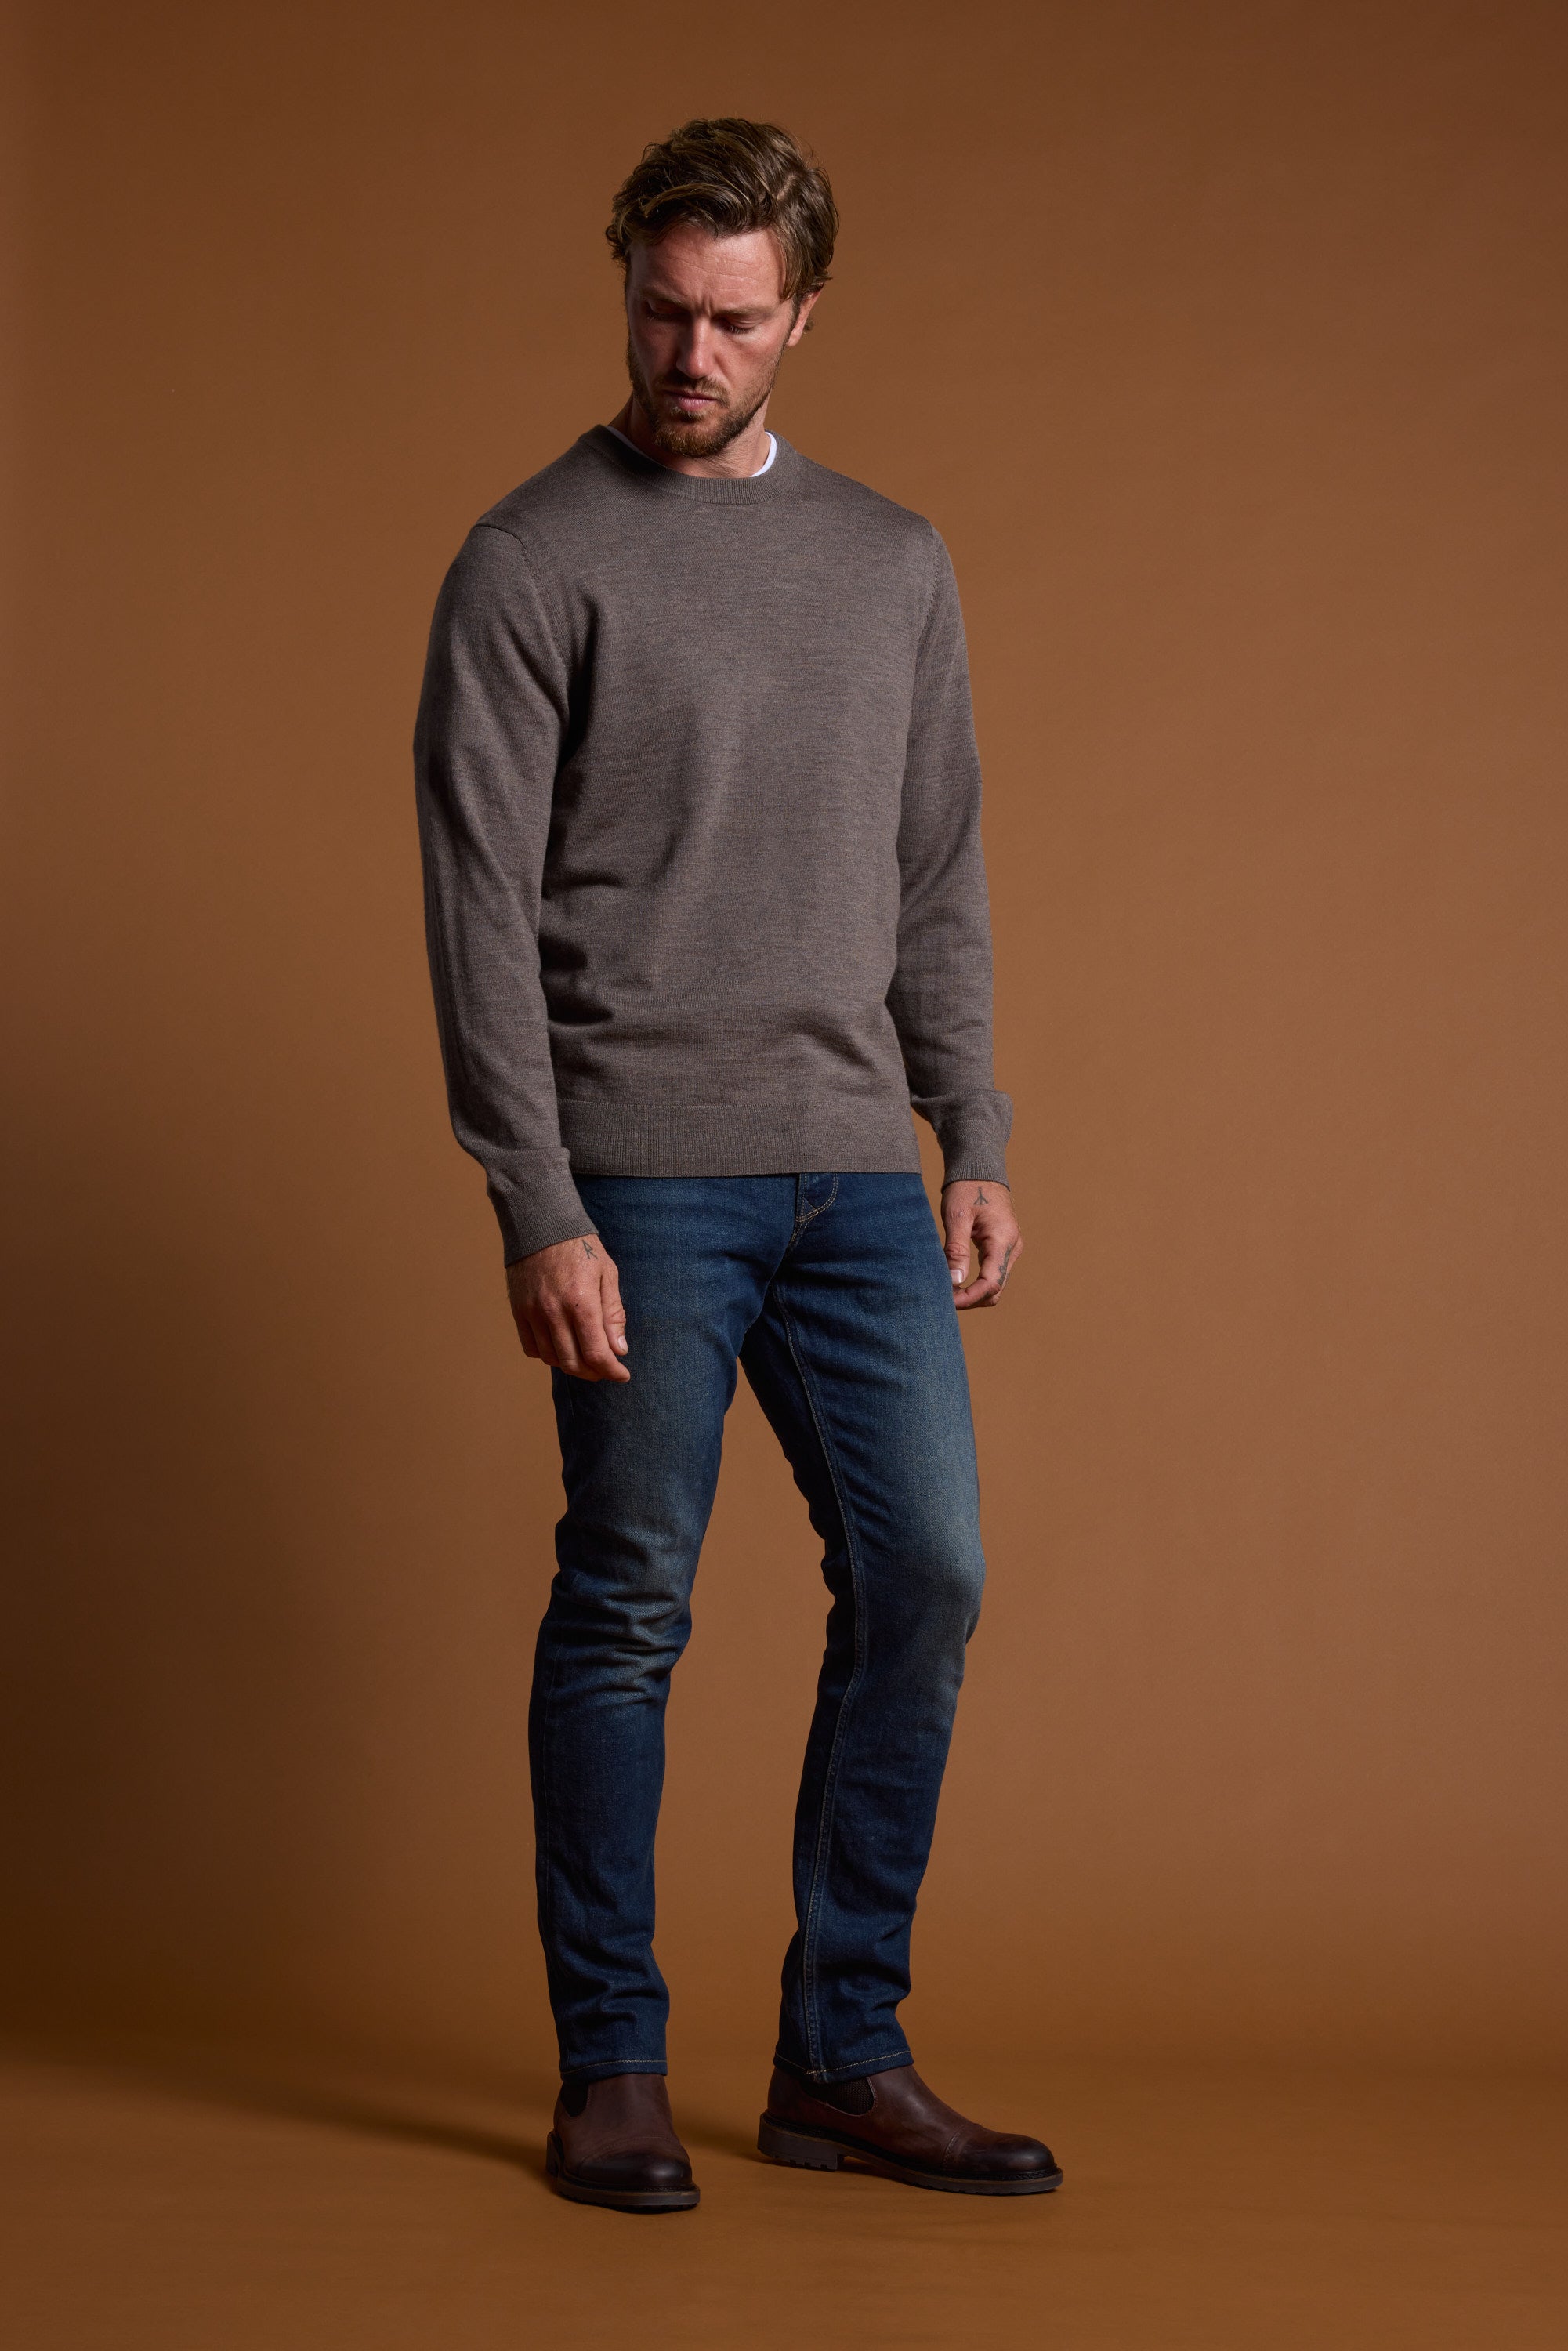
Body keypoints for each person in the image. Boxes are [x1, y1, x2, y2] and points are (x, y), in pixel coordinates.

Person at [414, 117, 1060, 2212]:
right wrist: (540, 1199)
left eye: (734, 321)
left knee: (927, 1579)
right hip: (644, 1176)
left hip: (851, 1172)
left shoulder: (890, 562)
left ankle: (837, 2057)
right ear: (624, 291)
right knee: (627, 1608)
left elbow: (933, 864)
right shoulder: (531, 560)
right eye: (660, 313)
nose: (690, 354)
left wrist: (966, 1125)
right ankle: (611, 2063)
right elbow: (476, 910)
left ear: (803, 315)